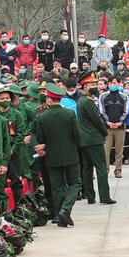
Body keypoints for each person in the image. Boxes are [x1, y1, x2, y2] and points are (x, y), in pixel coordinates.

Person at [34, 82, 81, 227]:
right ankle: (65, 210)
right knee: (75, 183)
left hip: (51, 156)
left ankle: (60, 213)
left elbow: (41, 139)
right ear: (60, 99)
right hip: (70, 154)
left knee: (57, 186)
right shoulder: (69, 113)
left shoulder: (42, 117)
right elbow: (77, 135)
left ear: (48, 99)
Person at [76, 77, 115, 203]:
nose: (95, 86)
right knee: (101, 168)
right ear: (85, 87)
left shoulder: (81, 100)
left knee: (87, 169)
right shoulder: (87, 102)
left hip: (84, 139)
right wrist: (104, 132)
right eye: (92, 84)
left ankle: (90, 196)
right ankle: (104, 196)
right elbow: (96, 120)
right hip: (93, 139)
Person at [101, 76, 129, 178]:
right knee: (106, 150)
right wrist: (108, 122)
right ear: (108, 84)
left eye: (115, 83)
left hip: (120, 128)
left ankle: (118, 170)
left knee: (119, 150)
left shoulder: (124, 97)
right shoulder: (103, 96)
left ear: (119, 84)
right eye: (111, 83)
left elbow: (126, 111)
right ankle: (106, 169)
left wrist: (120, 122)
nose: (113, 85)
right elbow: (101, 111)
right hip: (107, 128)